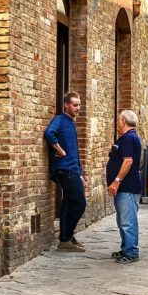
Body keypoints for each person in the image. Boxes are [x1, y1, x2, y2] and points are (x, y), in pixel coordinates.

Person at [44, 90, 87, 253]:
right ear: (66, 105)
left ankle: (65, 239)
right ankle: (66, 237)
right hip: (64, 170)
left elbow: (74, 152)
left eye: (79, 105)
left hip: (72, 170)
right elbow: (49, 133)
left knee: (68, 204)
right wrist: (59, 150)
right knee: (79, 203)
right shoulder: (60, 120)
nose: (78, 108)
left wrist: (80, 174)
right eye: (75, 105)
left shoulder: (71, 123)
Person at [106, 110, 143, 264]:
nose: (117, 123)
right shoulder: (129, 138)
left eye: (118, 120)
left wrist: (116, 181)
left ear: (123, 121)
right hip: (125, 187)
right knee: (123, 220)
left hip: (127, 187)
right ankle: (126, 248)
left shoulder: (128, 138)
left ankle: (132, 252)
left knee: (128, 220)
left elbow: (127, 161)